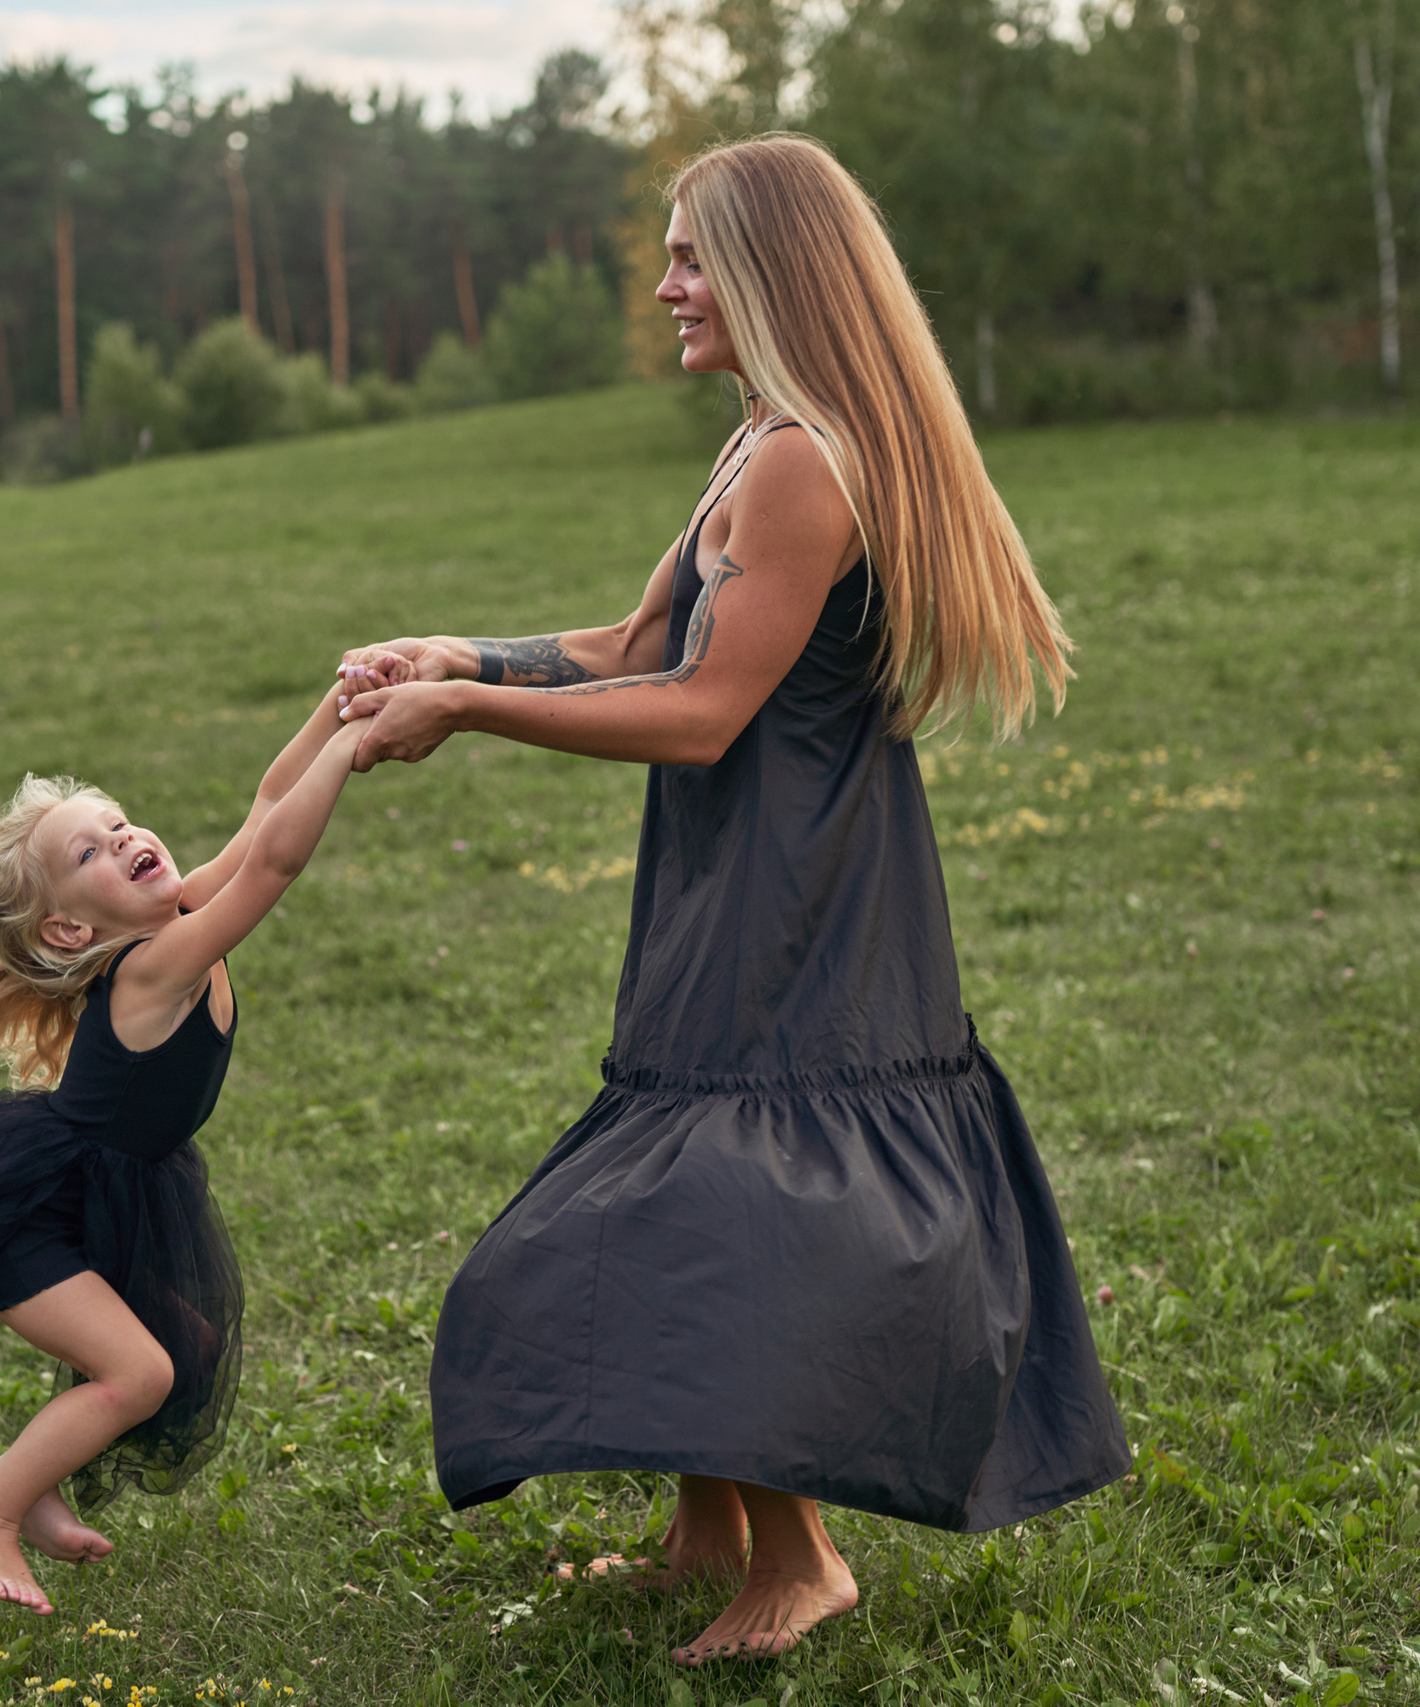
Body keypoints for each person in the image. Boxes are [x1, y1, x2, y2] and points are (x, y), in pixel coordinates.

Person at [332, 134, 1129, 1665]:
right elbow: (640, 645)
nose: (666, 285)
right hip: (737, 872)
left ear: (771, 268)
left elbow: (700, 711)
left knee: (740, 1200)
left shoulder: (802, 461)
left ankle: (802, 1557)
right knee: (698, 1178)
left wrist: (470, 715)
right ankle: (708, 1528)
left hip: (799, 881)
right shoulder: (759, 437)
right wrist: (460, 654)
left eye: (693, 255)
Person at [0, 691, 364, 1616]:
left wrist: (337, 705)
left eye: (119, 824)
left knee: (188, 1345)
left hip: (106, 1195)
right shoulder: (154, 964)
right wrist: (358, 744)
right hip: (25, 1214)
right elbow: (277, 857)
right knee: (142, 1373)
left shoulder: (178, 913)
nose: (125, 841)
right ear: (69, 931)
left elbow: (265, 805)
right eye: (91, 853)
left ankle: (31, 1479)